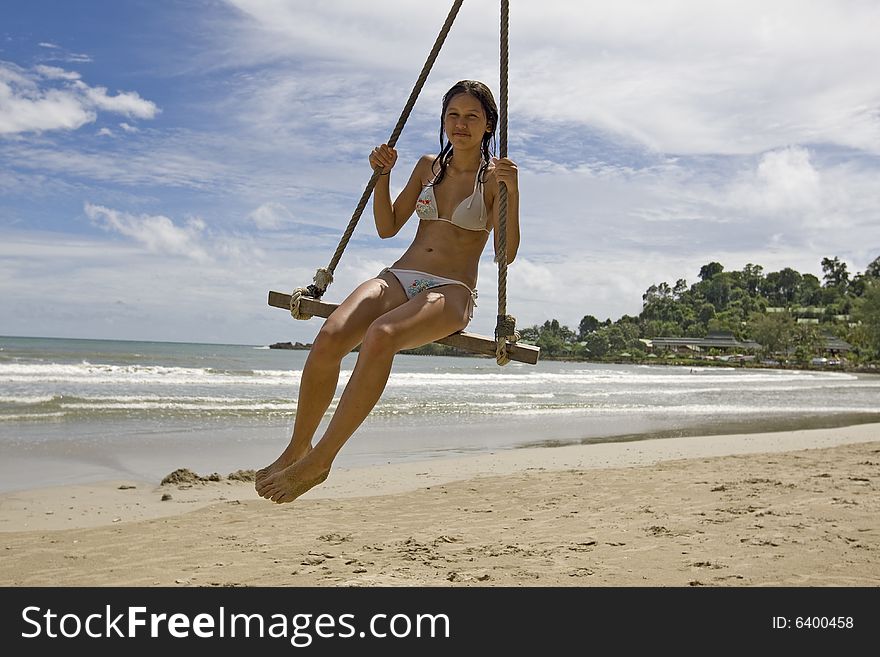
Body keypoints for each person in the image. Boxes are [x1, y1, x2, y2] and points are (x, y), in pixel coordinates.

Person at [255, 79, 520, 503]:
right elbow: (387, 227)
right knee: (331, 335)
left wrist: (513, 192)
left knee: (381, 335)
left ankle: (322, 459)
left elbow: (505, 254)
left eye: (472, 116)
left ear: (489, 125)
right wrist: (383, 176)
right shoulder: (427, 167)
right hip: (401, 275)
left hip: (452, 290)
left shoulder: (494, 179)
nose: (461, 124)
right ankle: (297, 446)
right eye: (453, 115)